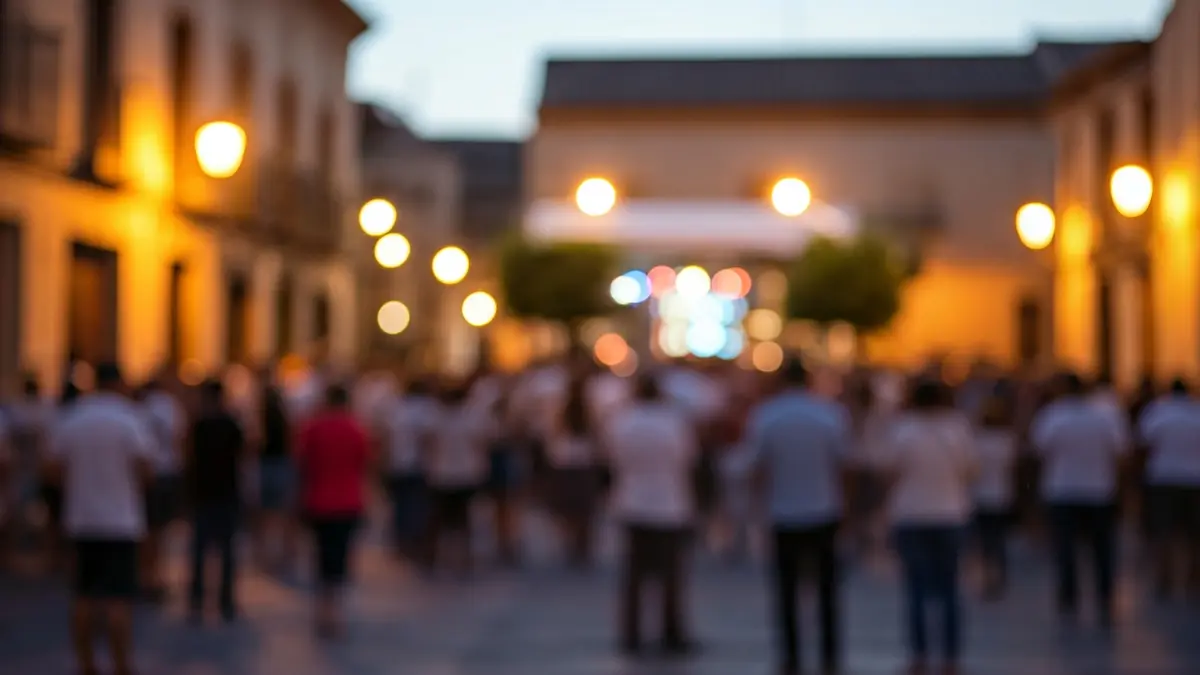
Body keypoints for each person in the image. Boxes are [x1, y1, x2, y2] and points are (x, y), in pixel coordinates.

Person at [44, 362, 154, 675]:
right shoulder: (129, 419)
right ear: (119, 382)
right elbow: (146, 469)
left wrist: (78, 483)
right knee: (118, 599)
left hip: (81, 519)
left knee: (83, 595)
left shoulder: (74, 417)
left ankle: (86, 663)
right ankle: (122, 664)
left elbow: (51, 468)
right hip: (121, 521)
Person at [745, 356, 850, 675]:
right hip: (824, 511)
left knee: (786, 592)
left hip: (784, 512)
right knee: (828, 591)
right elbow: (845, 465)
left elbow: (758, 468)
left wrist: (758, 508)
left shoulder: (767, 415)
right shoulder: (830, 414)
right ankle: (830, 657)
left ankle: (790, 658)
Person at [877, 379, 977, 675]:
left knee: (916, 589)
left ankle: (919, 655)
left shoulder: (903, 430)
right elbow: (972, 470)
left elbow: (888, 472)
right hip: (950, 514)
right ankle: (950, 657)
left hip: (911, 515)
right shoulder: (958, 428)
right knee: (950, 589)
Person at [606, 370, 699, 657]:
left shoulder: (622, 422)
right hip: (670, 505)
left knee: (634, 576)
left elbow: (610, 457)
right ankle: (672, 632)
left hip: (632, 503)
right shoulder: (673, 422)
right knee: (671, 576)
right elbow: (688, 458)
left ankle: (632, 633)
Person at [1031, 371, 1127, 629]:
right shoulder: (1105, 415)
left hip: (1063, 489)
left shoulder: (1053, 415)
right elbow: (1119, 452)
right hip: (1099, 489)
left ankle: (1069, 596)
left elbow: (1040, 450)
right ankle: (1104, 596)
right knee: (1102, 549)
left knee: (1066, 548)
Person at [294, 383, 370, 638]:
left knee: (322, 556)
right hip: (348, 501)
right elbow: (365, 463)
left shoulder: (314, 427)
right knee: (340, 556)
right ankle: (335, 611)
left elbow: (302, 461)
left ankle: (323, 609)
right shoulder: (355, 428)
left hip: (319, 500)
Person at [186, 378, 246, 622]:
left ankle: (198, 600)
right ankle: (226, 601)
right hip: (226, 493)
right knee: (227, 551)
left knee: (201, 551)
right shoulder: (231, 423)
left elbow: (187, 454)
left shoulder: (198, 424)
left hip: (203, 493)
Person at [1138, 377, 1200, 599]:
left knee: (1164, 529)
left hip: (1163, 477)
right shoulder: (1196, 413)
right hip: (1194, 478)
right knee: (1194, 533)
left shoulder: (1158, 412)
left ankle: (1165, 577)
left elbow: (1144, 443)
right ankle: (1193, 578)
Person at [426, 384, 493, 576]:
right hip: (466, 473)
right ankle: (464, 557)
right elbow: (482, 444)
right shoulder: (472, 418)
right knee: (463, 519)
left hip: (442, 473)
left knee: (439, 518)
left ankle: (435, 555)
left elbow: (428, 443)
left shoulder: (436, 418)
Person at [136, 375, 185, 601]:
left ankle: (145, 574)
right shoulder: (168, 405)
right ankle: (154, 575)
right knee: (159, 529)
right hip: (165, 472)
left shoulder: (141, 406)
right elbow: (178, 437)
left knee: (146, 527)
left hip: (146, 473)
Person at [379, 378, 438, 566]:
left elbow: (386, 437)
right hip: (419, 466)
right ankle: (416, 542)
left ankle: (401, 543)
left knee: (400, 505)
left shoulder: (396, 408)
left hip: (398, 464)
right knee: (419, 506)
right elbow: (428, 440)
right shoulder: (428, 409)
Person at [545, 375, 602, 568]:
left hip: (565, 461)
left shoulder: (560, 408)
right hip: (584, 461)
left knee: (568, 507)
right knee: (584, 508)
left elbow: (552, 432)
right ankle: (582, 544)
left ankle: (569, 542)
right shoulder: (590, 409)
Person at [973, 394, 1017, 600]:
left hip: (980, 496)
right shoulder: (1006, 441)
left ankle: (987, 577)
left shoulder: (976, 441)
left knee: (984, 541)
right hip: (1000, 495)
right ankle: (999, 576)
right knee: (998, 539)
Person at [255, 382, 295, 573]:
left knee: (265, 512)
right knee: (282, 511)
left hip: (267, 465)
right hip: (280, 464)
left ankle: (264, 553)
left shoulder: (262, 418)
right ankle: (285, 553)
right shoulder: (284, 418)